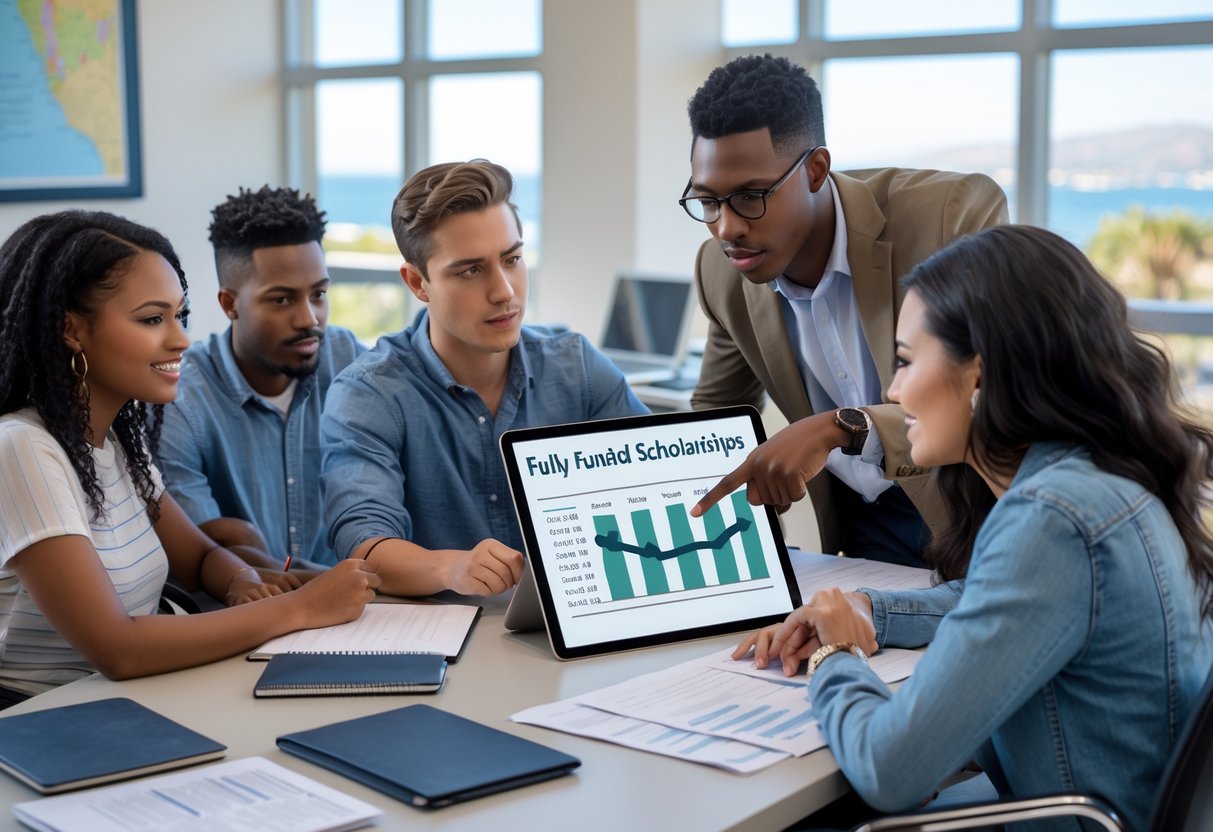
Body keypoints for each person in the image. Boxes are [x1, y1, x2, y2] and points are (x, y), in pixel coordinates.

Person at [733, 225, 1213, 830]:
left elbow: (890, 770)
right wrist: (866, 609)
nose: (892, 388)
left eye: (907, 361)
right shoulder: (1101, 478)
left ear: (980, 375)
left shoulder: (1052, 521)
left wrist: (835, 654)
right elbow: (994, 598)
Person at [0, 210, 379, 706]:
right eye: (152, 319)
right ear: (71, 329)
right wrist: (299, 609)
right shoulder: (22, 448)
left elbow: (199, 557)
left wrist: (241, 580)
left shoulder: (114, 445)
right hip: (44, 723)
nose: (179, 338)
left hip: (130, 704)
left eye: (179, 315)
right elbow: (118, 650)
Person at [682, 54, 1008, 567]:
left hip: (978, 518)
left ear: (816, 170)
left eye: (749, 196)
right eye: (708, 201)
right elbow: (714, 424)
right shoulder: (722, 271)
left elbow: (998, 397)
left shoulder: (950, 218)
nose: (726, 228)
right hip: (863, 532)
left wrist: (843, 426)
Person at [321, 159, 648, 597]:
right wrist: (449, 568)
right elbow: (364, 545)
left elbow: (663, 483)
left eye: (512, 259)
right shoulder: (368, 393)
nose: (505, 291)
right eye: (471, 270)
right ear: (417, 282)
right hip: (445, 644)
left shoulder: (578, 368)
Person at [156, 186, 364, 571]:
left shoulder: (351, 364)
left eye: (318, 294)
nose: (309, 319)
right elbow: (206, 559)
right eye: (282, 299)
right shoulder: (179, 402)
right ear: (229, 304)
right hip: (249, 618)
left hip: (373, 616)